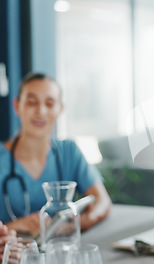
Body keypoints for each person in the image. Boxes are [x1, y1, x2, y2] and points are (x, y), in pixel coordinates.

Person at [0, 73, 112, 235]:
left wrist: (76, 224)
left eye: (50, 103)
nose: (41, 111)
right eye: (32, 103)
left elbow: (102, 201)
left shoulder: (69, 152)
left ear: (60, 108)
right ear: (17, 106)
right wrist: (16, 225)